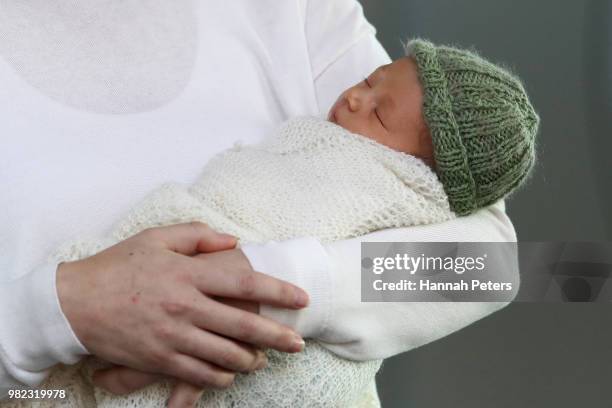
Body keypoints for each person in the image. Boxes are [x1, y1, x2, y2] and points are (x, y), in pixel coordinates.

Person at [0, 1, 519, 407]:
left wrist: (261, 289)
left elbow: (484, 266)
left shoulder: (295, 8)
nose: (357, 98)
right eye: (362, 87)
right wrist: (56, 312)